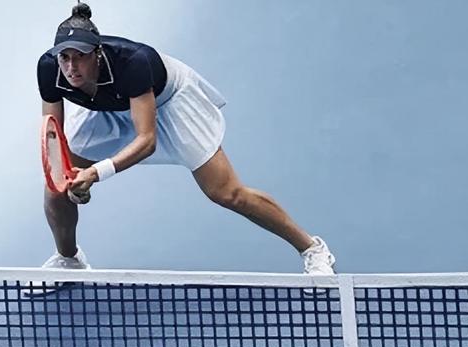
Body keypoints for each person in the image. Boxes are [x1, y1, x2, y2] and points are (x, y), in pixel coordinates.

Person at [36, 2, 336, 274]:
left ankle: (312, 248)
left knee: (227, 192)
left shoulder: (133, 63)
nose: (72, 67)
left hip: (168, 101)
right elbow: (54, 137)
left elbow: (146, 140)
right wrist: (73, 180)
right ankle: (69, 259)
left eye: (81, 57)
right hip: (108, 108)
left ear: (97, 53)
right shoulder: (50, 70)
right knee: (56, 188)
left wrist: (95, 173)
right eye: (65, 57)